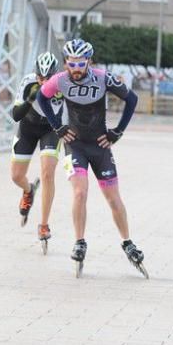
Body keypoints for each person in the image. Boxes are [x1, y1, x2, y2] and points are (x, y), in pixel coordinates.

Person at [36, 38, 146, 277]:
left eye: (80, 64)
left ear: (89, 62)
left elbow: (132, 99)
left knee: (114, 199)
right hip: (74, 147)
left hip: (100, 146)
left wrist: (117, 132)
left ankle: (127, 242)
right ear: (65, 62)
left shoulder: (103, 77)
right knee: (79, 192)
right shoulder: (59, 80)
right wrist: (58, 127)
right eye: (71, 64)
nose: (75, 69)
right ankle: (79, 241)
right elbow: (41, 98)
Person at [10, 51, 65, 247]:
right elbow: (15, 115)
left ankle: (43, 224)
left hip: (50, 129)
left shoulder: (63, 83)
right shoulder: (28, 81)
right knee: (16, 176)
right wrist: (30, 99)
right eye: (40, 77)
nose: (43, 82)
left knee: (48, 173)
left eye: (48, 78)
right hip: (28, 128)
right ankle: (28, 190)